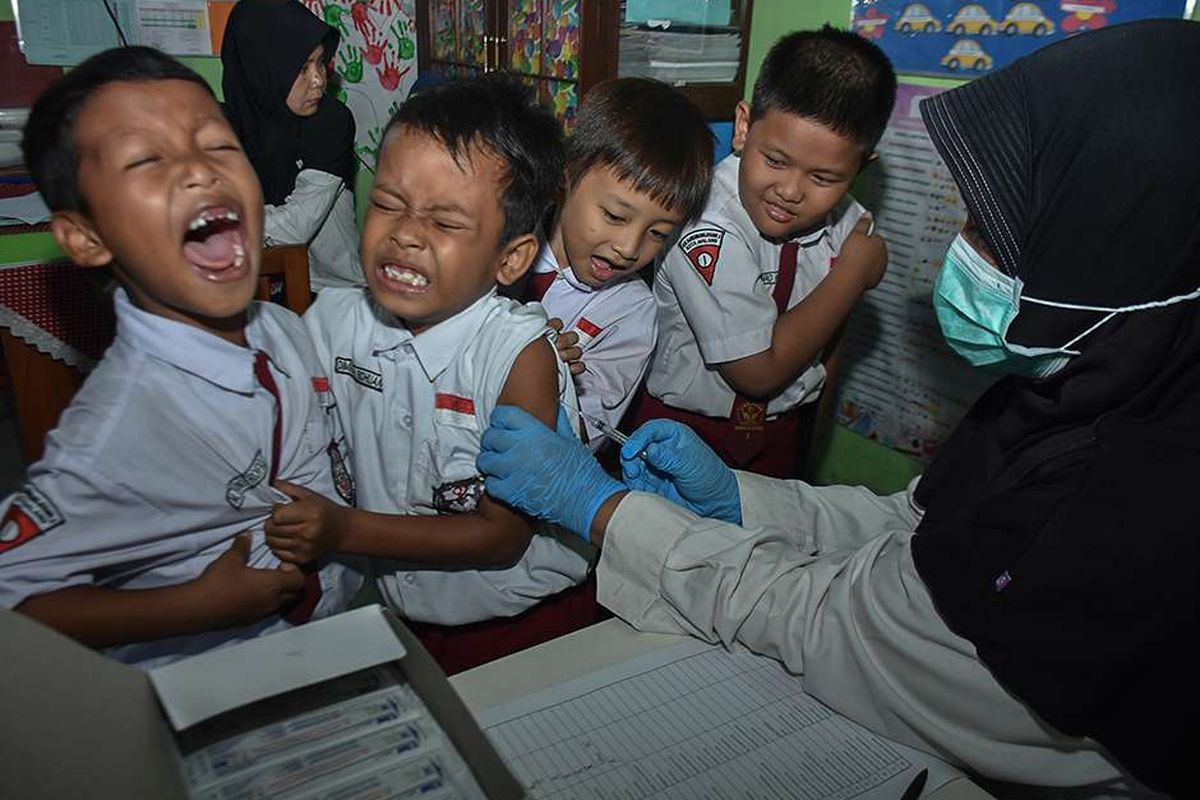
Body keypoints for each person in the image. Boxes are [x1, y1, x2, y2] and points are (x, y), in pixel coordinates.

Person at [475, 19, 1200, 798]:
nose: (960, 248)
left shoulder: (1138, 504)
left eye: (998, 230)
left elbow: (838, 625)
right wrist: (738, 499)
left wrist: (603, 508)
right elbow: (915, 532)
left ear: (1101, 255)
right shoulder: (1080, 378)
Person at [0, 47, 362, 668]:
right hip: (217, 682)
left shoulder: (280, 327)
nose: (201, 171)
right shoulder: (114, 432)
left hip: (329, 639)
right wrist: (199, 605)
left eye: (219, 146)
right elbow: (15, 605)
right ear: (86, 238)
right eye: (146, 158)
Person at [267, 77, 596, 675]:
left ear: (511, 258)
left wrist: (343, 529)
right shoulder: (334, 320)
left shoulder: (518, 357)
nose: (407, 233)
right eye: (387, 203)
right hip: (406, 617)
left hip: (526, 627)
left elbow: (502, 537)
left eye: (445, 223)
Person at [627, 26, 894, 479]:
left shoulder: (846, 221)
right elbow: (756, 373)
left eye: (823, 178)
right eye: (775, 161)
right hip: (686, 433)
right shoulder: (708, 225)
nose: (790, 191)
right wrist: (851, 274)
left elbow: (833, 336)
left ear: (859, 168)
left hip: (782, 431)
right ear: (744, 127)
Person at [527, 78, 712, 451]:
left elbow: (584, 438)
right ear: (566, 178)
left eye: (658, 233)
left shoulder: (632, 313)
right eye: (614, 215)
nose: (629, 248)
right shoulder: (502, 237)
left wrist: (543, 376)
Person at [221, 0, 363, 291]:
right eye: (301, 68)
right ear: (258, 68)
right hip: (250, 288)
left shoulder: (330, 121)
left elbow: (295, 228)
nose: (318, 81)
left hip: (329, 291)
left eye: (321, 63)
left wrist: (213, 223)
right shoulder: (225, 127)